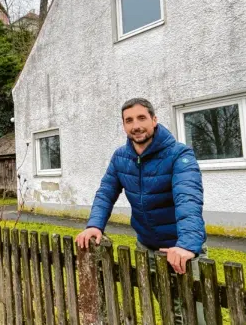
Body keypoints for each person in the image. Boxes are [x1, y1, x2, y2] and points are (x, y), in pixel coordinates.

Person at [76, 98, 207, 324]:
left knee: (193, 315)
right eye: (129, 120)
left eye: (141, 118)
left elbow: (188, 199)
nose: (136, 125)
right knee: (167, 309)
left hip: (181, 250)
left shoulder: (179, 154)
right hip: (147, 247)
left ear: (154, 120)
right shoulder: (120, 158)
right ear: (124, 125)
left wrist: (186, 244)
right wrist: (95, 225)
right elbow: (106, 192)